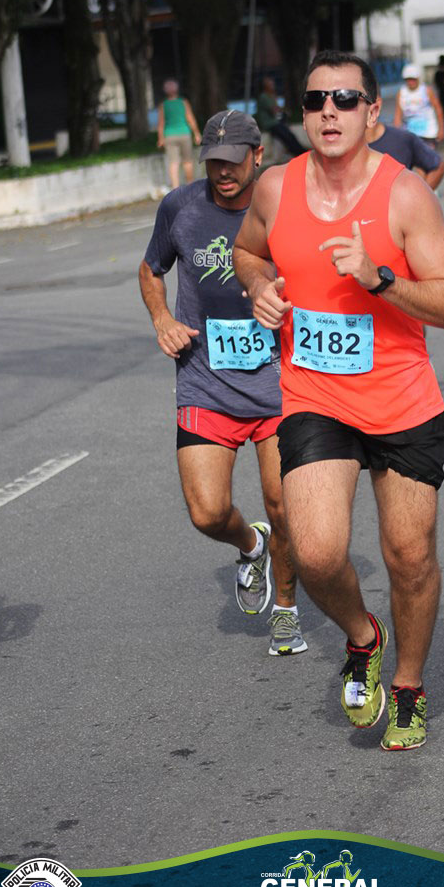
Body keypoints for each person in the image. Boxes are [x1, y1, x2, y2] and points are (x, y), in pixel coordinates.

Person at [233, 50, 444, 751]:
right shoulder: (275, 187)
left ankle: (409, 687)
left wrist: (379, 279)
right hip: (315, 396)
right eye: (315, 101)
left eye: (344, 99)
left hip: (402, 402)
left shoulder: (404, 195)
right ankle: (363, 636)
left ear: (373, 112)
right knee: (313, 551)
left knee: (408, 558)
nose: (328, 112)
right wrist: (259, 287)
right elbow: (248, 251)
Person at [139, 109, 306, 657]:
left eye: (233, 161)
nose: (223, 172)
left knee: (283, 504)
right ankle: (251, 545)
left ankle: (286, 610)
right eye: (214, 162)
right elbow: (151, 268)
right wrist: (162, 318)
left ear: (257, 156)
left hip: (278, 383)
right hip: (205, 380)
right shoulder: (180, 207)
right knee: (207, 512)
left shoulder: (282, 207)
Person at [365, 92, 444, 191]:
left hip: (427, 133)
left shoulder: (402, 139)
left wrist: (418, 198)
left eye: (352, 101)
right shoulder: (346, 149)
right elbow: (398, 115)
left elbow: (438, 167)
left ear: (377, 104)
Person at [157, 79, 202, 189]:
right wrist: (197, 133)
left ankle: (175, 189)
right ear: (176, 90)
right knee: (187, 161)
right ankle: (190, 186)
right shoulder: (183, 102)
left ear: (165, 91)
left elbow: (161, 123)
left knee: (173, 163)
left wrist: (160, 139)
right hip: (184, 134)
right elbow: (190, 118)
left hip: (169, 135)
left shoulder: (163, 105)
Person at [393, 63, 444, 145]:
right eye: (408, 79)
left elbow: (438, 109)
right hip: (410, 133)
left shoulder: (427, 91)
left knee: (428, 153)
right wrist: (395, 135)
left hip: (428, 133)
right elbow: (398, 115)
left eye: (413, 79)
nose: (411, 82)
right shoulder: (401, 93)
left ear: (418, 78)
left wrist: (441, 129)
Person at [254, 76, 306, 157]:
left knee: (289, 134)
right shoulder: (264, 97)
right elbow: (274, 110)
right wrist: (284, 110)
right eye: (270, 84)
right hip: (269, 124)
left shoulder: (270, 96)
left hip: (274, 122)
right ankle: (298, 151)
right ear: (265, 86)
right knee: (286, 135)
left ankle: (299, 150)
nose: (273, 85)